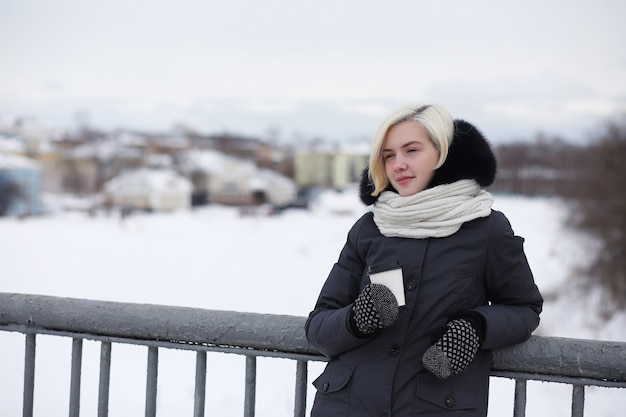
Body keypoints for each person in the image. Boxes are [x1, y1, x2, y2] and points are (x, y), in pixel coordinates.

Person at [305, 103, 543, 416]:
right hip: (347, 406)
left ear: (441, 152)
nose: (398, 164)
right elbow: (319, 325)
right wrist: (356, 320)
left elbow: (524, 309)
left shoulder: (487, 229)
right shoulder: (369, 228)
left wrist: (476, 327)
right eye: (389, 155)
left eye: (411, 151)